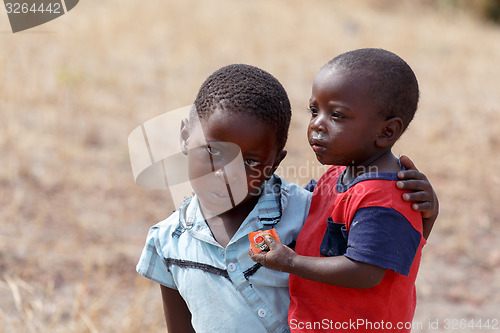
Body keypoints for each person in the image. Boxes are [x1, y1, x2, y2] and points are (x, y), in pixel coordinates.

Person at [136, 63, 438, 332]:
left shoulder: (302, 212)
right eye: (213, 152)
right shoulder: (168, 242)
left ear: (274, 162)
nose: (225, 174)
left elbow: (378, 253)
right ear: (186, 137)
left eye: (251, 162)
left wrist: (423, 215)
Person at [249, 49, 435, 332]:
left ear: (386, 132)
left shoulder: (384, 196)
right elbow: (295, 211)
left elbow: (367, 271)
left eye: (336, 115)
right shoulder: (337, 175)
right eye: (314, 110)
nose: (317, 125)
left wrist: (291, 261)